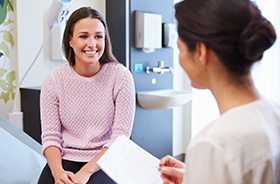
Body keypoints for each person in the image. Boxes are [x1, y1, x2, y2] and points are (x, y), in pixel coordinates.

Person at [159, 0, 280, 183]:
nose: (180, 60)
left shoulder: (214, 144)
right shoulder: (274, 113)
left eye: (180, 49)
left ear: (200, 51)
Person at [38, 7, 135, 184]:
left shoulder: (121, 77)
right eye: (83, 36)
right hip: (65, 158)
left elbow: (120, 138)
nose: (92, 44)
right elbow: (50, 136)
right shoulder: (53, 81)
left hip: (105, 158)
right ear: (70, 40)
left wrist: (86, 172)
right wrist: (58, 172)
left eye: (98, 36)